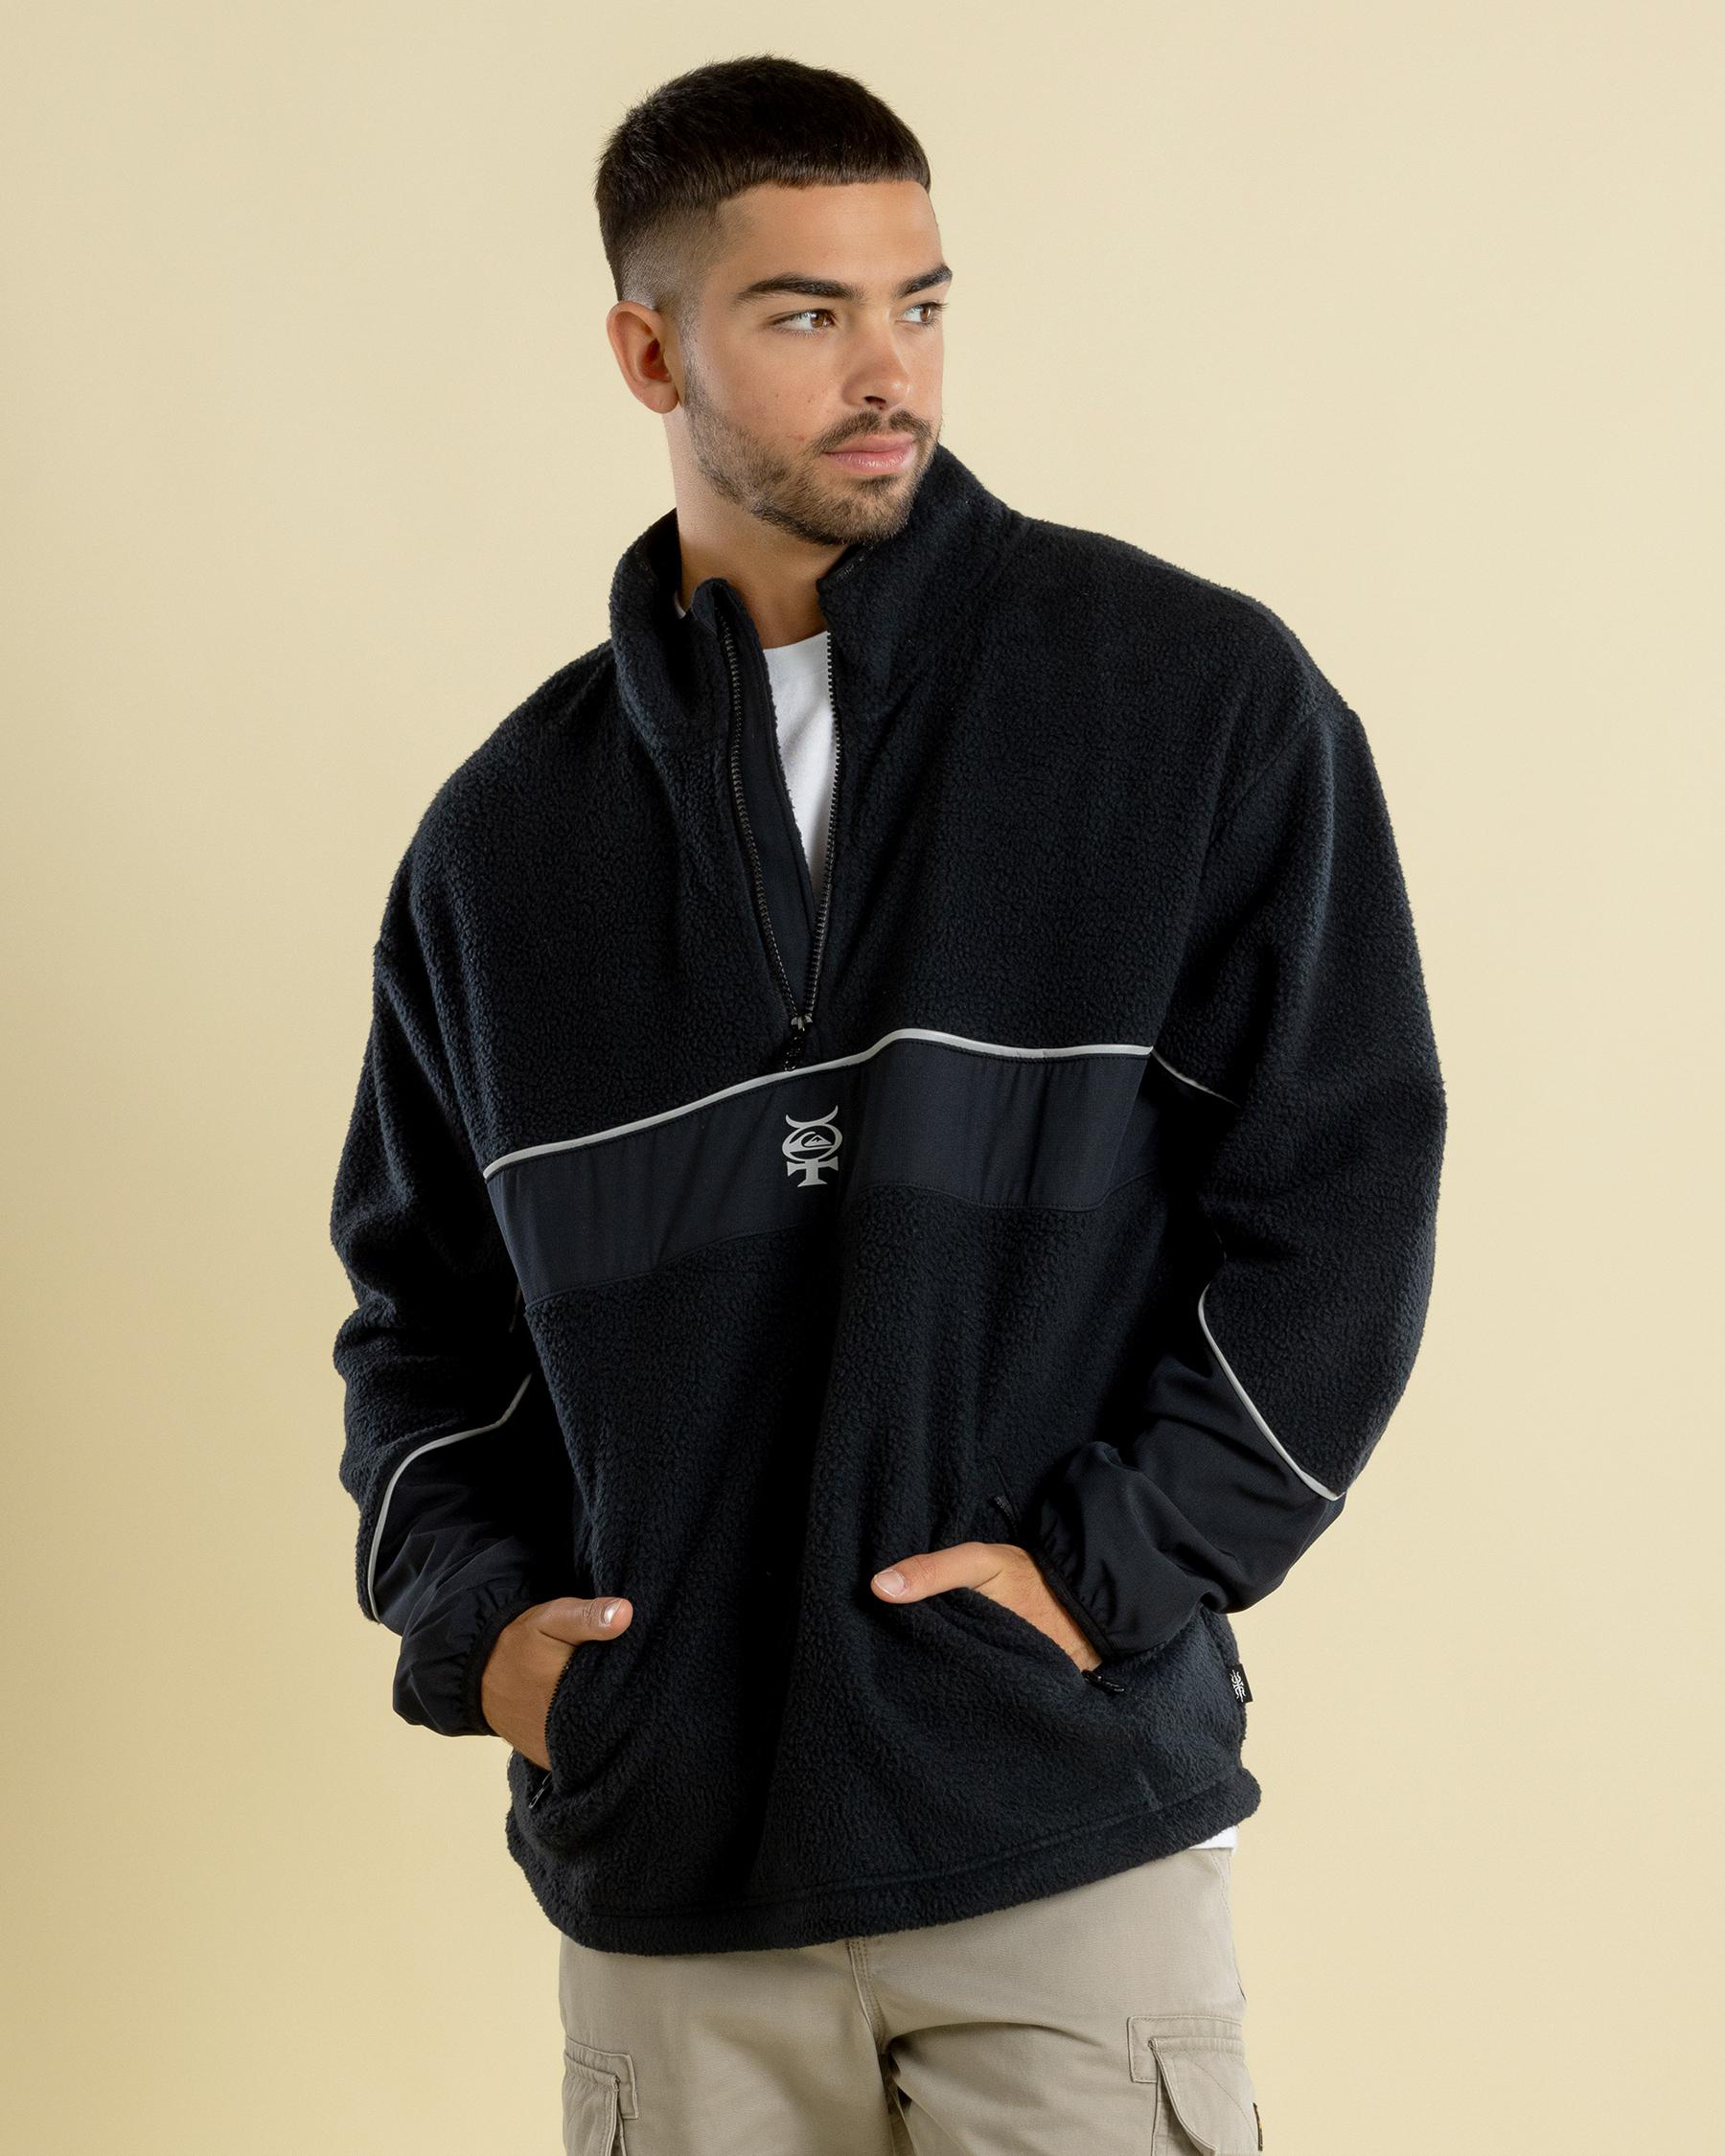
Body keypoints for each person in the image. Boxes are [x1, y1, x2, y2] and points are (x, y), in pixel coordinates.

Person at [328, 53, 1446, 2156]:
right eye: (806, 313)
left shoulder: (1190, 702)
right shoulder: (501, 851)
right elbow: (420, 1330)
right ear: (649, 352)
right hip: (674, 1890)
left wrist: (1110, 1577)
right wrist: (495, 1646)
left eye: (918, 304)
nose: (886, 373)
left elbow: (1341, 1201)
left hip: (1057, 1839)